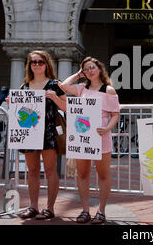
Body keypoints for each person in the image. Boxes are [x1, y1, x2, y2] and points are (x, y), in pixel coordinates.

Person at [59, 56, 119, 224]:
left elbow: (115, 114)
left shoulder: (108, 90)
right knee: (83, 174)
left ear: (99, 68)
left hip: (101, 137)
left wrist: (107, 129)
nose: (89, 71)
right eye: (86, 69)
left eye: (92, 67)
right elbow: (63, 86)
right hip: (82, 137)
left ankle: (101, 211)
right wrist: (78, 74)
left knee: (103, 174)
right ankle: (85, 210)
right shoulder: (81, 89)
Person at [16, 50, 66, 220]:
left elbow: (68, 107)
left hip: (49, 132)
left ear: (46, 64)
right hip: (30, 132)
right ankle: (33, 206)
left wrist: (54, 97)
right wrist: (12, 103)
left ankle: (50, 208)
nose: (37, 64)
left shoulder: (54, 85)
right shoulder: (24, 86)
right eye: (33, 62)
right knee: (33, 171)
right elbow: (20, 112)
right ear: (29, 66)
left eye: (40, 62)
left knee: (50, 170)